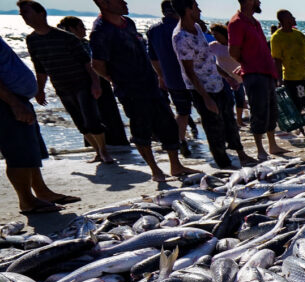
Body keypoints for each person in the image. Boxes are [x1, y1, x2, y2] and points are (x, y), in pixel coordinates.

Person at [90, 0, 197, 182]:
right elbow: (97, 64)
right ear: (103, 3)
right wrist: (115, 79)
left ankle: (175, 165)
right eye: (118, 0)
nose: (125, 2)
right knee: (142, 131)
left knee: (168, 125)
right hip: (131, 90)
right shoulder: (101, 31)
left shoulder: (128, 23)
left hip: (151, 84)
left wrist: (157, 76)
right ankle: (155, 170)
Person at [19, 0, 112, 165]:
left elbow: (86, 62)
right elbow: (40, 67)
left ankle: (104, 152)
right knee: (80, 123)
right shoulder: (31, 40)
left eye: (27, 12)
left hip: (82, 83)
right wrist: (39, 90)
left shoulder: (65, 37)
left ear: (41, 14)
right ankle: (97, 152)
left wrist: (95, 83)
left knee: (91, 120)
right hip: (61, 86)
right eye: (22, 14)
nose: (24, 17)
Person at [0, 37, 79, 214]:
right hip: (7, 101)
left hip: (16, 98)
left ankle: (41, 192)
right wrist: (13, 102)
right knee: (19, 152)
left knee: (30, 148)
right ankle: (27, 201)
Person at [171, 0, 254, 169]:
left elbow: (209, 60)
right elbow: (189, 71)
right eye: (196, 7)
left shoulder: (198, 28)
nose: (199, 10)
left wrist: (227, 77)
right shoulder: (181, 37)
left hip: (218, 83)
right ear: (188, 10)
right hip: (202, 90)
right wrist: (206, 98)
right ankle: (224, 164)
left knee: (229, 121)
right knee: (213, 127)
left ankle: (241, 154)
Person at [57, 15, 130, 146]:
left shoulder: (86, 43)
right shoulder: (72, 45)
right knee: (91, 116)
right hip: (86, 82)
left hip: (98, 80)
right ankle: (101, 146)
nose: (84, 29)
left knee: (106, 114)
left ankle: (113, 143)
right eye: (80, 27)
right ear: (70, 28)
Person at [228, 0, 287, 159]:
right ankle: (260, 149)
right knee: (259, 111)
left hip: (267, 73)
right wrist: (246, 63)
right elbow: (233, 51)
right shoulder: (237, 23)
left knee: (271, 111)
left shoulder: (255, 22)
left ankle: (272, 145)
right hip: (254, 74)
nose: (259, 1)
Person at [146, 1, 197, 157]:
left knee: (182, 112)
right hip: (192, 76)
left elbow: (153, 58)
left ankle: (180, 141)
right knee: (206, 109)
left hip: (171, 78)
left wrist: (161, 76)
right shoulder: (183, 27)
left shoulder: (153, 30)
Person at [271, 10, 305, 138]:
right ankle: (301, 131)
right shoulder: (277, 37)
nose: (294, 18)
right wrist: (278, 79)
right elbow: (277, 60)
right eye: (291, 16)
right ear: (284, 19)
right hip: (291, 78)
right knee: (297, 105)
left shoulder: (298, 34)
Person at [206, 24, 247, 127]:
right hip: (223, 77)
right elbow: (207, 59)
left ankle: (239, 120)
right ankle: (229, 120)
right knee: (228, 100)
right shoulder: (213, 45)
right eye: (213, 35)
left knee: (240, 99)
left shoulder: (233, 44)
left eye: (216, 34)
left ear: (223, 33)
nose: (215, 37)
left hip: (238, 76)